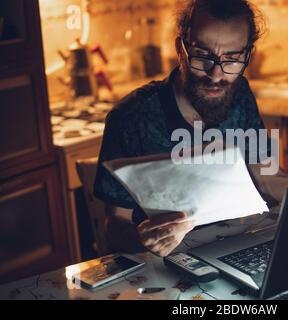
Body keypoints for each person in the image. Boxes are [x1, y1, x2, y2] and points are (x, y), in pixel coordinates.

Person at [94, 0, 267, 257]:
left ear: (246, 54)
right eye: (203, 55)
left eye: (232, 58)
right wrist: (144, 239)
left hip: (233, 250)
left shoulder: (241, 93)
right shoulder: (130, 118)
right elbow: (113, 227)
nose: (217, 74)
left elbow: (265, 175)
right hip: (163, 266)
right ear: (181, 49)